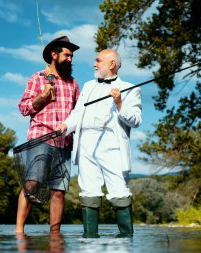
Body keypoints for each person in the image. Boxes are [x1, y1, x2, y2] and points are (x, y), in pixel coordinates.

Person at [56, 49, 142, 238]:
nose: (94, 64)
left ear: (111, 64)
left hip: (112, 146)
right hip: (86, 143)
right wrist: (65, 125)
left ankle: (126, 242)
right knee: (88, 191)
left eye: (98, 60)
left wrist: (119, 103)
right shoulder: (87, 86)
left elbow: (135, 120)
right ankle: (89, 241)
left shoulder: (130, 88)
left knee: (119, 190)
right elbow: (77, 114)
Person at [15, 36, 80, 234]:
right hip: (40, 139)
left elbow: (78, 114)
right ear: (54, 54)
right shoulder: (37, 78)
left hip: (64, 143)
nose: (70, 59)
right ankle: (18, 231)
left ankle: (55, 235)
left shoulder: (73, 84)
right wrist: (42, 96)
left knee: (59, 191)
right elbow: (24, 108)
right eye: (66, 55)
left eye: (71, 56)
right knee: (32, 184)